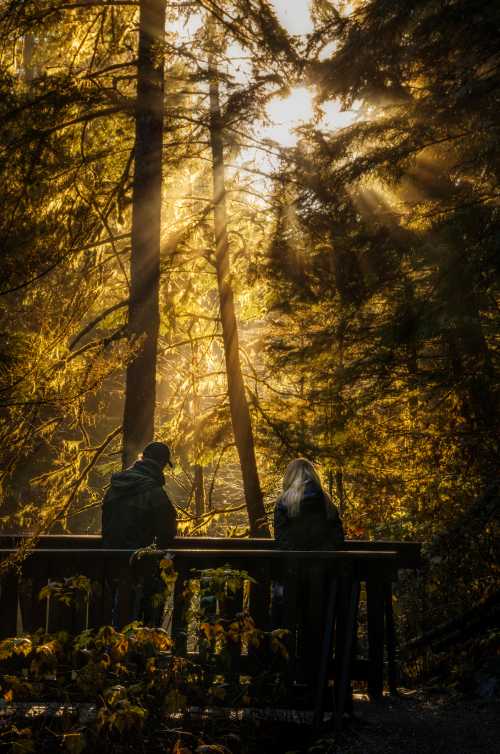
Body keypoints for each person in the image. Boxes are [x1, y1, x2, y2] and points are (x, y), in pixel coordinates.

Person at [102, 441, 177, 549]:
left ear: (142, 457)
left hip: (109, 557)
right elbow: (168, 531)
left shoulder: (114, 487)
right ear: (161, 463)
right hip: (139, 559)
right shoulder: (153, 491)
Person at [274, 458, 344, 550]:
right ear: (313, 475)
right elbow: (338, 538)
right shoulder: (327, 501)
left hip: (294, 562)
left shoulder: (283, 502)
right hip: (325, 561)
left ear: (290, 477)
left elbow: (281, 539)